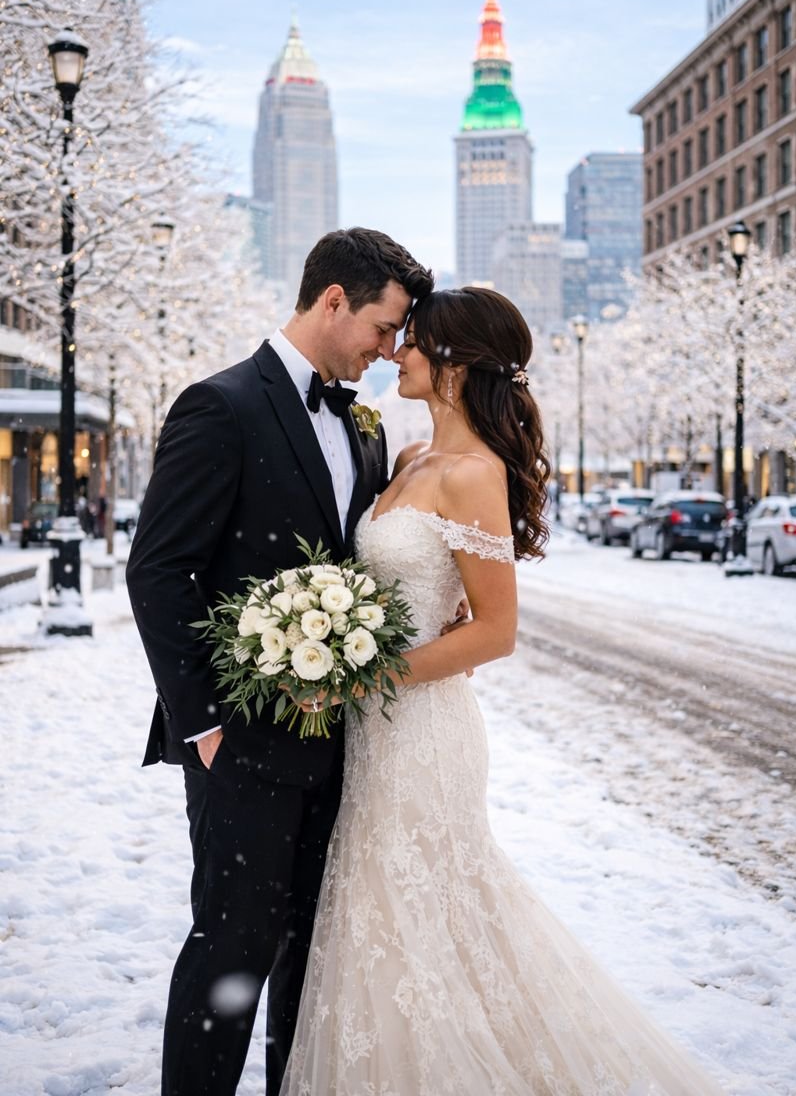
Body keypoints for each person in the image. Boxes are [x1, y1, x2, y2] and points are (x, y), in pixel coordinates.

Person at [280, 287, 727, 1095]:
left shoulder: (475, 474)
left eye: (411, 342)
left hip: (423, 734)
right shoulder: (411, 458)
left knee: (418, 908)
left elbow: (494, 631)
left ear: (453, 362)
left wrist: (358, 677)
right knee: (391, 920)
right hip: (376, 731)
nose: (395, 352)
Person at [125, 227, 434, 1096]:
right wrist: (208, 727)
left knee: (316, 955)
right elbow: (157, 569)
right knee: (232, 952)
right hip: (242, 743)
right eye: (383, 327)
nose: (387, 351)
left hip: (343, 744)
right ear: (334, 300)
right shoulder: (219, 406)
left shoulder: (366, 428)